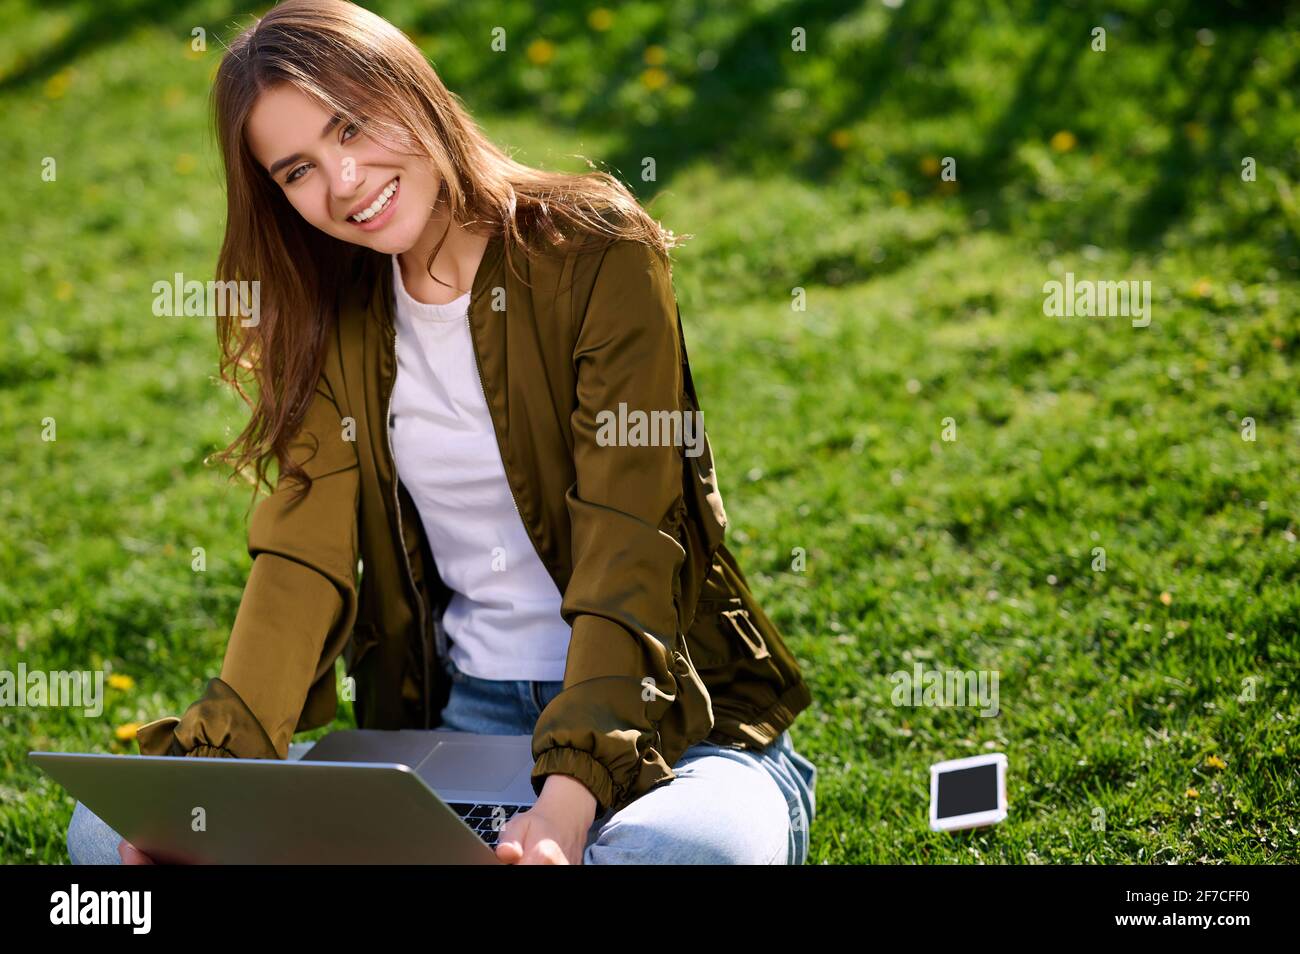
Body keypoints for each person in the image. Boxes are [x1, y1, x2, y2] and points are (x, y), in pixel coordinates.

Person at [66, 0, 816, 865]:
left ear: (412, 86)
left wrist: (568, 804)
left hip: (678, 726)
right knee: (106, 835)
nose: (343, 182)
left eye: (352, 125)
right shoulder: (326, 313)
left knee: (683, 854)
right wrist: (216, 780)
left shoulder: (597, 254)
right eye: (298, 170)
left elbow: (633, 537)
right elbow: (298, 563)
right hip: (456, 733)